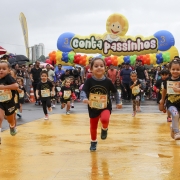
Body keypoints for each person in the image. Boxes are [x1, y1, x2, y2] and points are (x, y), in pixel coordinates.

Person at [81, 57, 122, 152]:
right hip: (93, 107)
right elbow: (83, 91)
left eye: (101, 66)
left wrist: (118, 102)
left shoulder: (108, 81)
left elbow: (115, 92)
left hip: (105, 106)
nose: (99, 68)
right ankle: (93, 141)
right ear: (91, 69)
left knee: (105, 119)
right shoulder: (89, 81)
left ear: (105, 68)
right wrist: (84, 98)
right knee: (93, 126)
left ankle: (105, 128)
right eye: (96, 66)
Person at [159, 60, 180, 140]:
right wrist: (162, 100)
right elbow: (164, 90)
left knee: (177, 118)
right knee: (175, 114)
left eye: (178, 69)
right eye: (173, 69)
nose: (175, 71)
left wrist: (178, 90)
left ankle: (173, 128)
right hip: (171, 103)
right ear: (170, 70)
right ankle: (177, 132)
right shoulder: (167, 80)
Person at [0, 61, 19, 144]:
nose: (1, 70)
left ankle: (12, 126)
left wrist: (4, 87)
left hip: (9, 102)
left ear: (8, 71)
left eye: (4, 69)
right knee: (0, 118)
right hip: (0, 102)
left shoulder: (8, 77)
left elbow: (16, 86)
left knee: (10, 119)